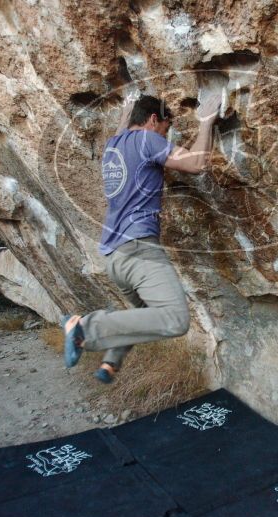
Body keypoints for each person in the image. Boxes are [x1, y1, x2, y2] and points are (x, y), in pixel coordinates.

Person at [62, 93, 221, 383]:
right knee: (175, 318)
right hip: (138, 249)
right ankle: (85, 327)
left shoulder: (113, 145)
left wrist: (126, 110)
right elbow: (196, 163)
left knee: (143, 313)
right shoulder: (148, 140)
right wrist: (206, 121)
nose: (166, 135)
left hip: (113, 257)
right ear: (152, 120)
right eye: (166, 127)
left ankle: (111, 361)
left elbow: (123, 128)